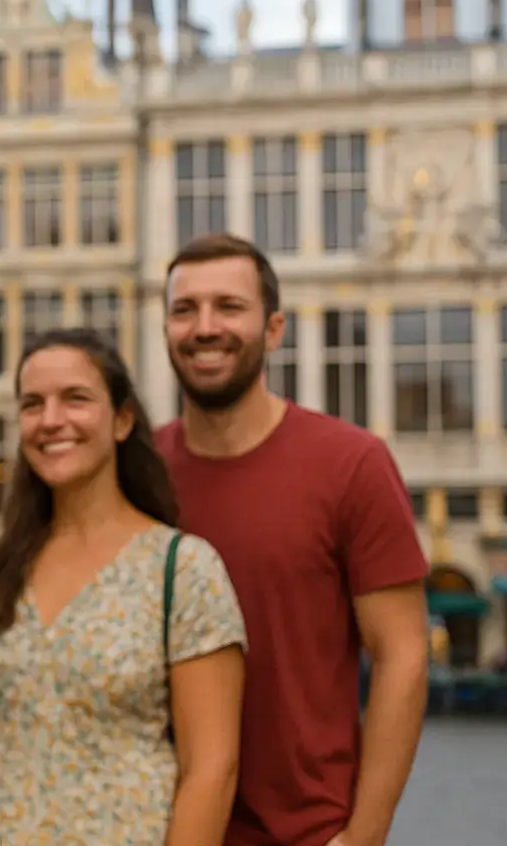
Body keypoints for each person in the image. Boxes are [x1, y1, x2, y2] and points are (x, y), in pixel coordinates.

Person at [0, 328, 247, 846]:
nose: (51, 420)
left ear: (122, 419)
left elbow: (212, 769)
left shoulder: (182, 571)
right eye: (32, 403)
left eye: (76, 399)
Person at [155, 233, 430, 846]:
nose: (204, 327)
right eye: (184, 309)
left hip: (305, 832)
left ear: (273, 329)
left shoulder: (351, 464)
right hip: (159, 828)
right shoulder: (138, 471)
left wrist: (363, 836)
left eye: (228, 306)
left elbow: (403, 658)